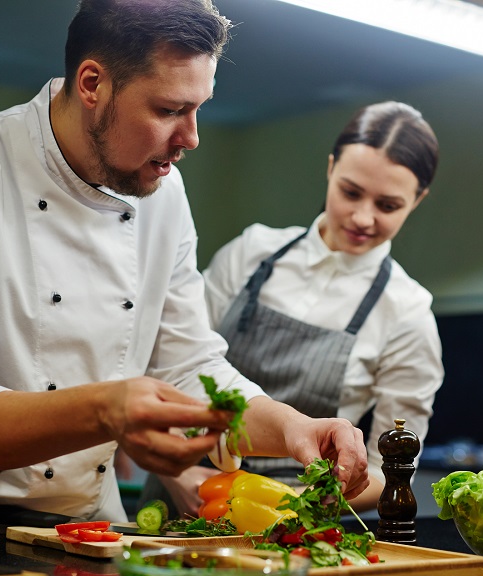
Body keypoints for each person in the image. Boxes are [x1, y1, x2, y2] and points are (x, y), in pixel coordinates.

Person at [0, 0, 369, 536]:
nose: (192, 137)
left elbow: (189, 367)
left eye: (199, 108)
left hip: (85, 533)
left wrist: (296, 427)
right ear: (92, 84)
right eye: (169, 109)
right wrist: (107, 410)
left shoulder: (164, 192)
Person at [143, 101, 444, 515]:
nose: (362, 217)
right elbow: (168, 365)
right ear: (330, 168)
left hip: (292, 520)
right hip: (180, 491)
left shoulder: (408, 314)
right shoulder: (251, 254)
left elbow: (390, 470)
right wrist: (175, 475)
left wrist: (291, 505)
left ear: (419, 199)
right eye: (350, 192)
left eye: (388, 206)